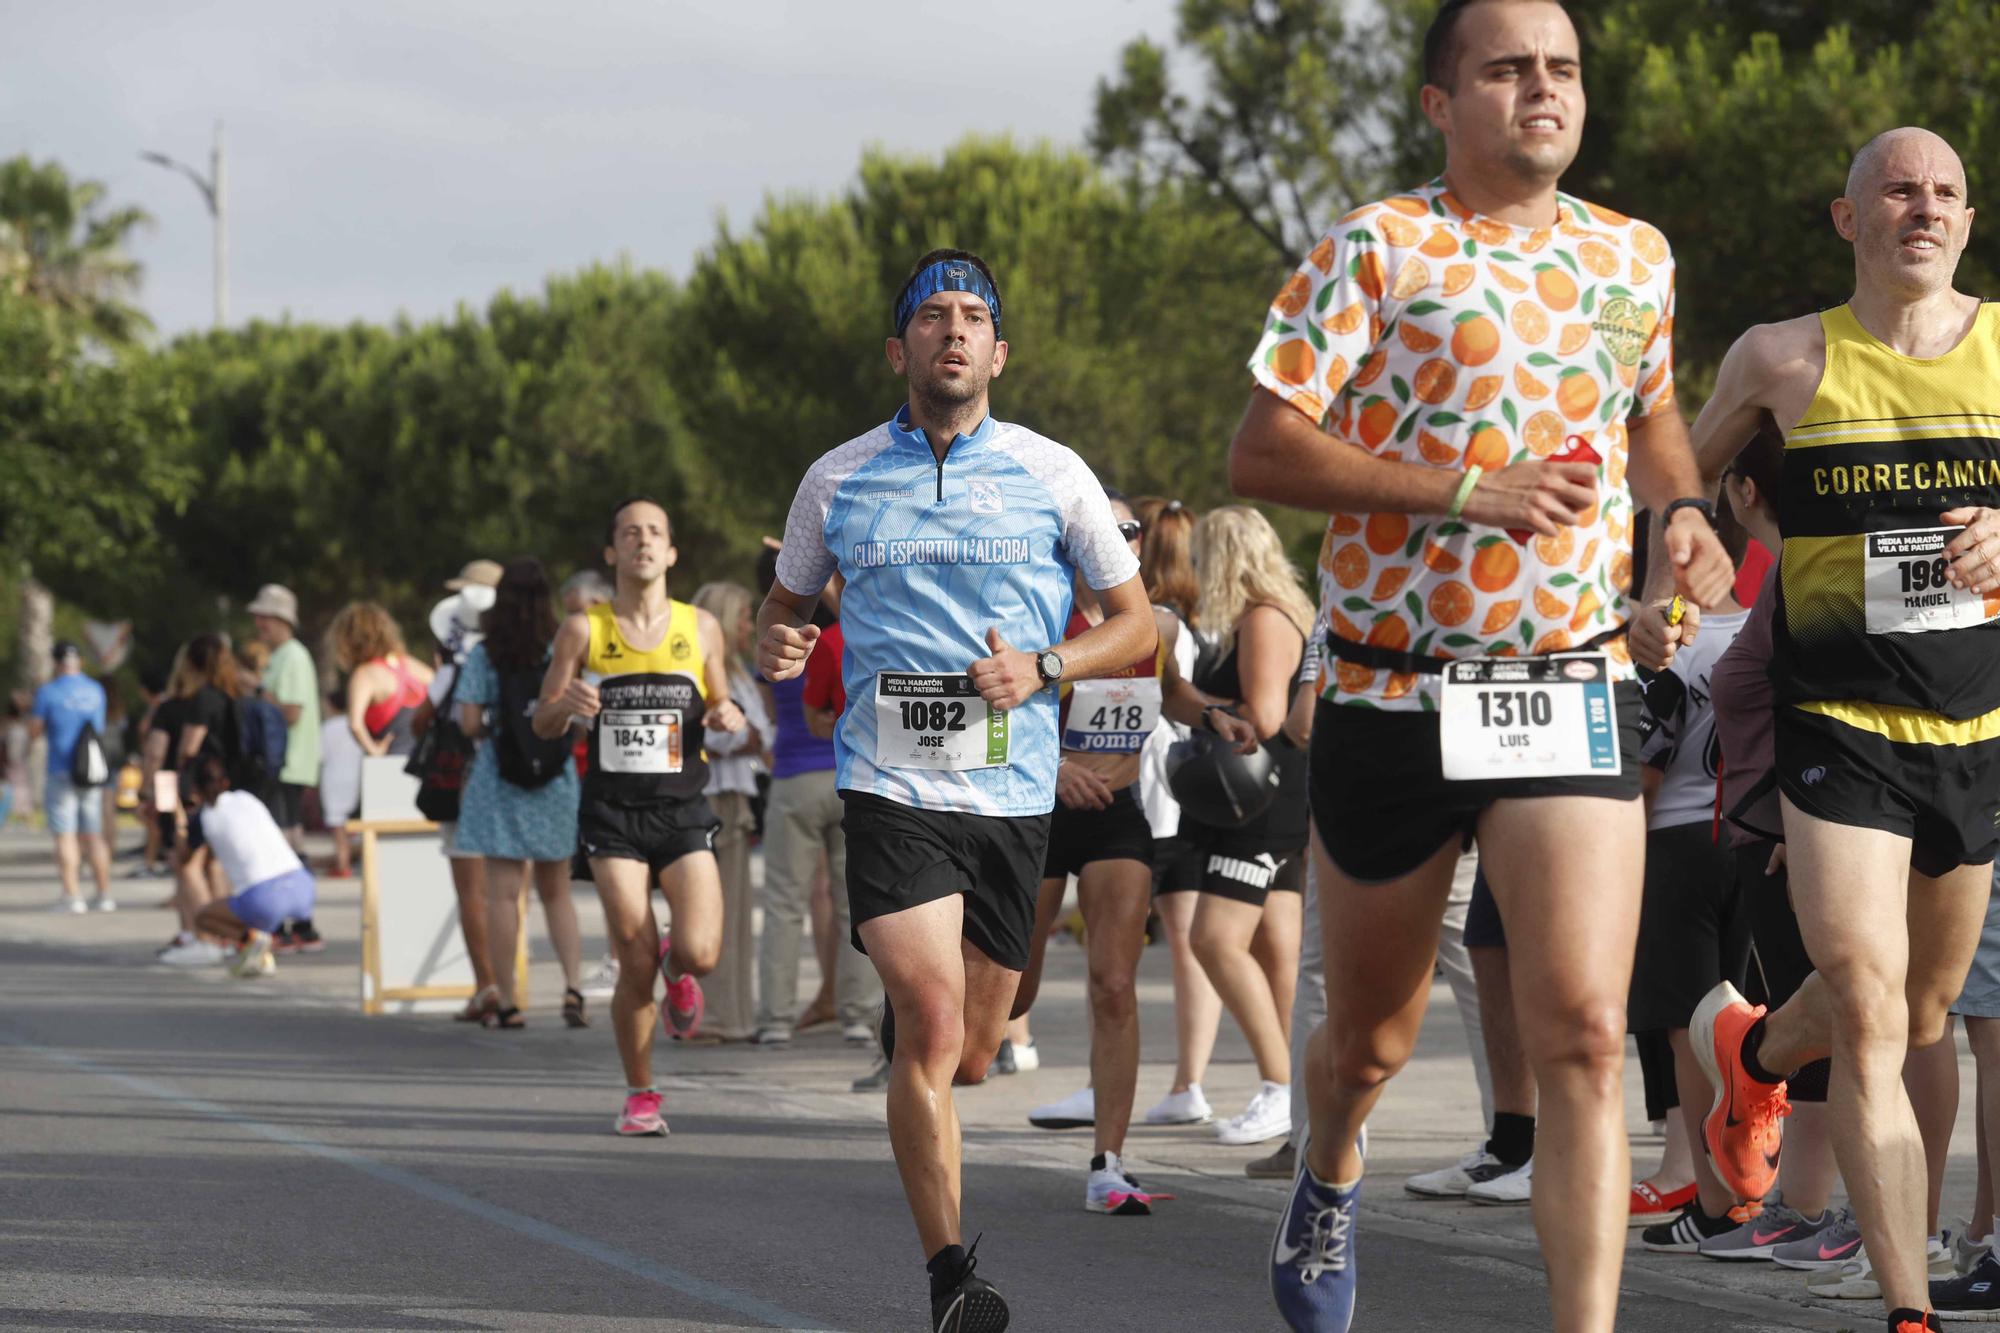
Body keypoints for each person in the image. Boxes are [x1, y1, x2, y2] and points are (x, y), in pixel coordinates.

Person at [1228, 2, 1734, 1327]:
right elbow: (1263, 452)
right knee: (1371, 1042)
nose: (1543, 91)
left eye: (1561, 69)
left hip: (1566, 684)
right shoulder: (1377, 248)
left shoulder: (1633, 259)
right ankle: (1330, 1172)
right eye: (1508, 70)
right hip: (1397, 688)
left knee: (1578, 1031)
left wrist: (1679, 514)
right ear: (1440, 103)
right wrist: (1462, 491)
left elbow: (1657, 420)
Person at [758, 247, 1154, 1330]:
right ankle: (951, 1277)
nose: (951, 330)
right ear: (899, 348)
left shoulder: (1051, 469)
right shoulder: (835, 477)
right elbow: (779, 608)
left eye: (971, 316)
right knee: (931, 1022)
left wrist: (1046, 666)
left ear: (998, 351)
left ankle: (921, 1052)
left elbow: (1138, 620)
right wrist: (781, 645)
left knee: (974, 1049)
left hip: (1010, 788)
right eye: (931, 315)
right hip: (889, 784)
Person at [1661, 127, 2000, 1333]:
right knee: (1865, 1003)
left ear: (1965, 221)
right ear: (1845, 217)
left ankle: (1752, 1062)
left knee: (1912, 1012)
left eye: (1945, 193)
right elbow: (1671, 489)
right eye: (1897, 190)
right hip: (1832, 722)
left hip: (1970, 728)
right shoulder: (1781, 357)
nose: (1923, 208)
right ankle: (1907, 1306)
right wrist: (1668, 573)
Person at [1009, 491, 1257, 1210]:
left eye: (1131, 530)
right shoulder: (1042, 619)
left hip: (1119, 814)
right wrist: (1055, 769)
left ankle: (1108, 1163)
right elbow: (998, 711)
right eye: (1108, 529)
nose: (1123, 539)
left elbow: (1169, 689)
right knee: (1011, 995)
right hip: (1038, 813)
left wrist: (1211, 714)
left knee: (1114, 984)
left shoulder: (1154, 625)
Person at [534, 497, 747, 1134]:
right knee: (633, 960)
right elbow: (543, 722)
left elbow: (723, 701)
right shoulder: (583, 631)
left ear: (672, 551)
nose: (643, 541)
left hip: (682, 808)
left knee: (701, 952)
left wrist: (726, 715)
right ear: (612, 552)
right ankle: (641, 1092)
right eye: (630, 533)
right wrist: (565, 704)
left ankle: (678, 975)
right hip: (612, 814)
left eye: (655, 532)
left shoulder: (701, 626)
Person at [1180, 506, 1314, 1148]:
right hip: (1276, 799)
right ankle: (1298, 1094)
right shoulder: (1275, 612)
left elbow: (1263, 715)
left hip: (1258, 804)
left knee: (1214, 940)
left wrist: (1190, 705)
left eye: (1202, 558)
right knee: (1276, 953)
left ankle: (1280, 1087)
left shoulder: (1261, 617)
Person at [453, 559, 587, 1029]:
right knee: (557, 893)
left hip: (499, 778)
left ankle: (507, 1000)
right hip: (556, 776)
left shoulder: (486, 653)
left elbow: (469, 722)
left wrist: (495, 721)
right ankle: (573, 986)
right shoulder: (561, 646)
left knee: (504, 896)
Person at [1128, 497, 1225, 1127]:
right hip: (1186, 792)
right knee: (1189, 945)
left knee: (1122, 951)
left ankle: (1146, 1082)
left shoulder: (1151, 620)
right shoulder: (1205, 620)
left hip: (1145, 790)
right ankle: (1189, 1081)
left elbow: (1157, 700)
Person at [692, 579, 774, 1042]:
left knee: (736, 912)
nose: (749, 626)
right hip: (712, 798)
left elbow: (759, 735)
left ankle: (731, 1012)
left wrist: (749, 740)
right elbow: (725, 737)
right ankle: (713, 1013)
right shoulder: (707, 673)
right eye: (743, 617)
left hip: (735, 797)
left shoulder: (739, 673)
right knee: (713, 912)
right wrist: (746, 741)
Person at [423, 573, 501, 1018]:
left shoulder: (456, 667)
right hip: (511, 782)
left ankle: (487, 984)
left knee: (471, 891)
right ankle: (511, 984)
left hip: (465, 781)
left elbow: (422, 720)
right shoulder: (513, 659)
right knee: (510, 889)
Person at [184, 754, 316, 980]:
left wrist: (181, 821)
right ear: (225, 782)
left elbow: (184, 858)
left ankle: (253, 940)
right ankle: (262, 945)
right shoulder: (247, 798)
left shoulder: (204, 818)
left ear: (195, 789)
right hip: (303, 885)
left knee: (203, 917)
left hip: (264, 898)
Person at [29, 641, 112, 913]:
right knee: (93, 834)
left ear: (56, 662)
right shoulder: (95, 690)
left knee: (65, 835)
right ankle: (103, 893)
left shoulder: (48, 692)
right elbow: (98, 727)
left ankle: (72, 894)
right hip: (91, 769)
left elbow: (35, 731)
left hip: (61, 768)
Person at [246, 584, 322, 856]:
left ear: (281, 620)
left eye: (264, 617)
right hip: (281, 758)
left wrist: (257, 693)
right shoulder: (280, 656)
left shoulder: (294, 656)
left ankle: (294, 878)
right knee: (284, 823)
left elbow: (291, 712)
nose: (258, 623)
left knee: (285, 828)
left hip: (288, 759)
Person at [329, 602, 433, 758]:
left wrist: (373, 751)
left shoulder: (364, 674)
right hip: (426, 762)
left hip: (391, 766)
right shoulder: (410, 664)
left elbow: (355, 725)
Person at [319, 687, 362, 879]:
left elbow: (319, 754)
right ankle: (347, 859)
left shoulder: (327, 727)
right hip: (355, 778)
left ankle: (342, 863)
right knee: (350, 824)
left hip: (333, 779)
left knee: (337, 826)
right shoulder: (357, 723)